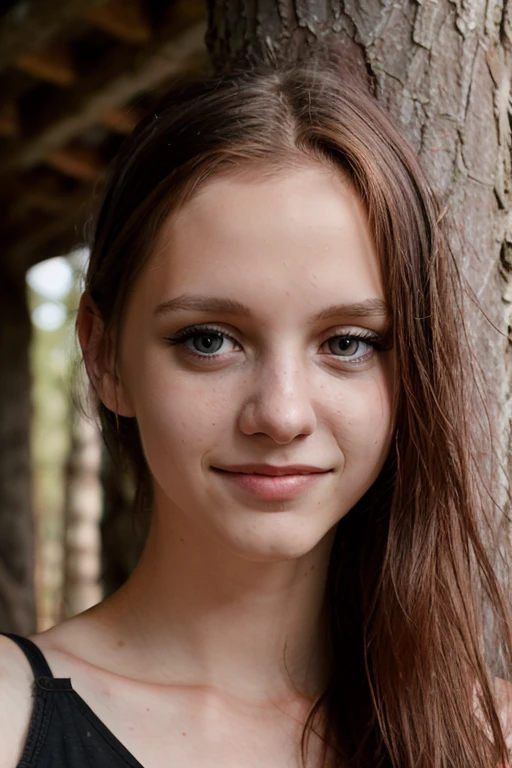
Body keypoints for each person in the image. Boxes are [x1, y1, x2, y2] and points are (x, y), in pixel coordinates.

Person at [1, 51, 511, 768]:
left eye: (348, 342)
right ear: (105, 357)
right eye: (209, 340)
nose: (281, 413)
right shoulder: (9, 719)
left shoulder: (489, 739)